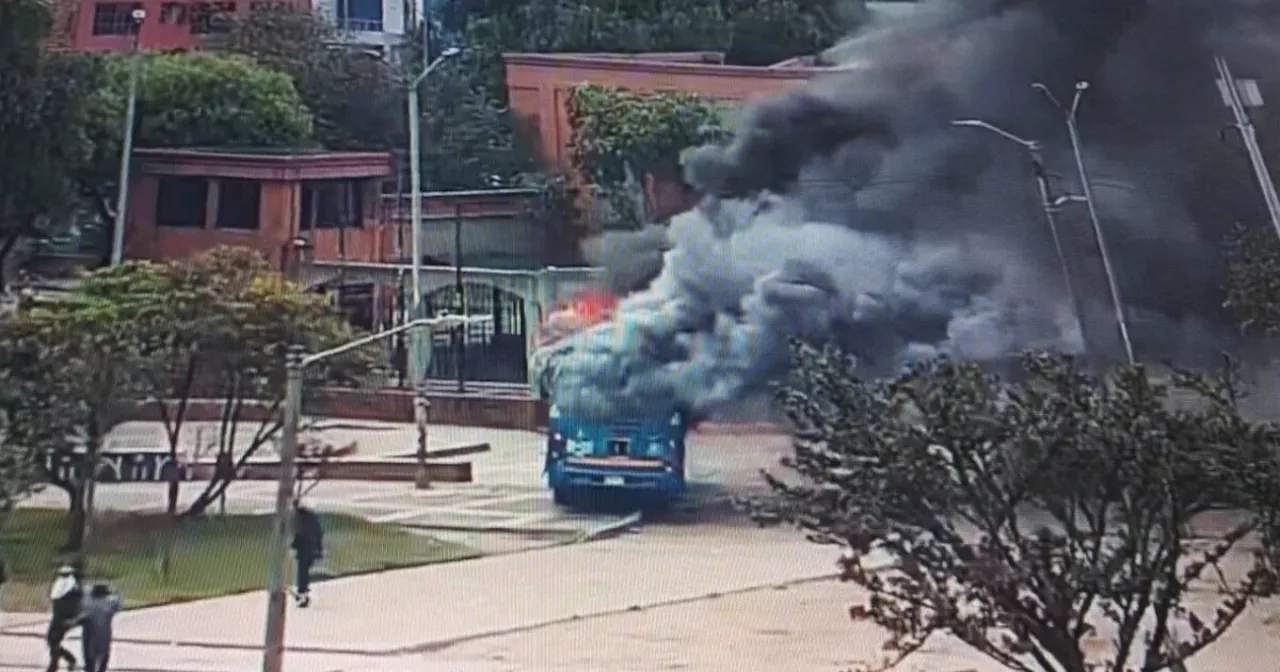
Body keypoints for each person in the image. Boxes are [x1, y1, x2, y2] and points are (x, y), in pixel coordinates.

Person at [77, 583, 121, 672]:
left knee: (89, 661)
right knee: (103, 659)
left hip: (89, 638)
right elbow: (119, 603)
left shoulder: (87, 605)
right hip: (104, 637)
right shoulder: (109, 605)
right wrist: (116, 592)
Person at [46, 565, 83, 672]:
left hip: (63, 619)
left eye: (65, 574)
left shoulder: (73, 589)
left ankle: (62, 663)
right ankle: (58, 664)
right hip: (58, 617)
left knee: (53, 640)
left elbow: (72, 606)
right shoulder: (64, 586)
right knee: (53, 641)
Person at [291, 501, 324, 608]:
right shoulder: (310, 518)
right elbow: (317, 533)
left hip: (306, 550)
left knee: (302, 572)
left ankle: (302, 594)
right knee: (304, 572)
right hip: (309, 549)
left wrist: (294, 545)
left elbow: (301, 534)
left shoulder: (303, 519)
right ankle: (303, 592)